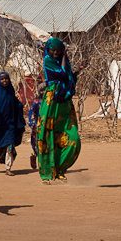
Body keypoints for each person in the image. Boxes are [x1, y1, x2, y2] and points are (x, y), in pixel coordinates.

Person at [36, 37, 84, 183]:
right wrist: (64, 55)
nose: (55, 52)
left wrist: (78, 70)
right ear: (48, 50)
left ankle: (60, 169)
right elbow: (62, 74)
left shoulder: (63, 62)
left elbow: (69, 79)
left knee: (72, 137)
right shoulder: (48, 61)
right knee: (47, 134)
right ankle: (46, 172)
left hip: (64, 102)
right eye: (53, 50)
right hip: (52, 101)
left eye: (58, 50)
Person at [28, 82, 47, 170]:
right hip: (37, 128)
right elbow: (31, 113)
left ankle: (44, 164)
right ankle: (34, 157)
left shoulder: (50, 102)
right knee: (37, 145)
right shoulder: (36, 103)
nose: (43, 92)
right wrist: (32, 123)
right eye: (41, 90)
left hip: (48, 127)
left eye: (45, 90)